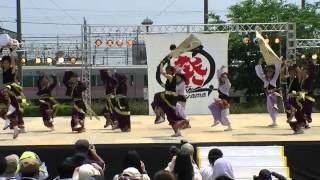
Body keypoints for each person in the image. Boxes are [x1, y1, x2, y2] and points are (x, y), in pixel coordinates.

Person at [151, 62, 187, 137]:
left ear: (171, 71)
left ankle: (160, 116)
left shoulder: (171, 77)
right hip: (170, 98)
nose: (167, 71)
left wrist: (161, 64)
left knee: (156, 97)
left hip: (170, 98)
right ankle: (177, 132)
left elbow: (162, 72)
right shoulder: (171, 79)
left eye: (168, 70)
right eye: (166, 70)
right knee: (170, 115)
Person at [1, 51, 26, 132]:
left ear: (9, 63)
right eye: (4, 63)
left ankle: (19, 126)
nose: (5, 64)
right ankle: (12, 124)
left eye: (7, 63)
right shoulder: (1, 71)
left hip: (12, 90)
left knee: (17, 108)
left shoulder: (12, 70)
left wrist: (12, 52)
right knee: (8, 110)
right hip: (4, 90)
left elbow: (14, 64)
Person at [255, 58, 281, 127]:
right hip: (268, 95)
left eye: (271, 72)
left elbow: (278, 70)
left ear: (272, 73)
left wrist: (277, 61)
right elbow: (259, 73)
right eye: (268, 72)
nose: (269, 73)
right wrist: (259, 63)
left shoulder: (274, 78)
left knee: (273, 106)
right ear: (266, 73)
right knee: (269, 108)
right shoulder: (265, 79)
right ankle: (274, 121)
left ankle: (275, 121)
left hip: (274, 95)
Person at [208, 66, 232, 131]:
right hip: (220, 100)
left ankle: (229, 126)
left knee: (223, 115)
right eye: (222, 77)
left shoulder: (227, 84)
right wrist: (221, 68)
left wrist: (226, 77)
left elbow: (228, 82)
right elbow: (219, 74)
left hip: (225, 101)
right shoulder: (220, 83)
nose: (223, 78)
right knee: (211, 106)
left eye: (225, 77)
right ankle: (216, 121)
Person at [284, 64, 303, 134]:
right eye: (290, 72)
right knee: (289, 114)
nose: (291, 73)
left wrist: (294, 64)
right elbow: (282, 75)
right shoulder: (288, 79)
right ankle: (296, 128)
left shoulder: (297, 79)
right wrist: (284, 65)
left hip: (296, 99)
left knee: (297, 114)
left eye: (293, 72)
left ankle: (298, 127)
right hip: (289, 98)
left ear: (295, 73)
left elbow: (299, 72)